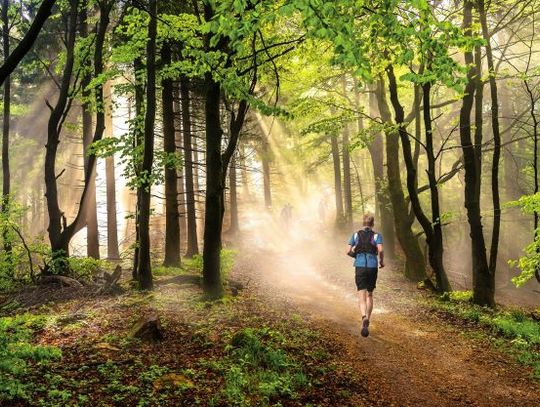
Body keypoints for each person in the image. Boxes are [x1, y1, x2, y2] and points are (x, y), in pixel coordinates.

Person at [347, 214, 384, 337]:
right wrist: (381, 261)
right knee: (370, 294)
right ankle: (368, 318)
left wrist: (356, 256)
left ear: (363, 223)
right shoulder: (377, 235)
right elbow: (381, 250)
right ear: (373, 224)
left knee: (361, 294)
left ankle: (363, 317)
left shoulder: (356, 235)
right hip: (372, 267)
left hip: (360, 266)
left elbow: (348, 251)